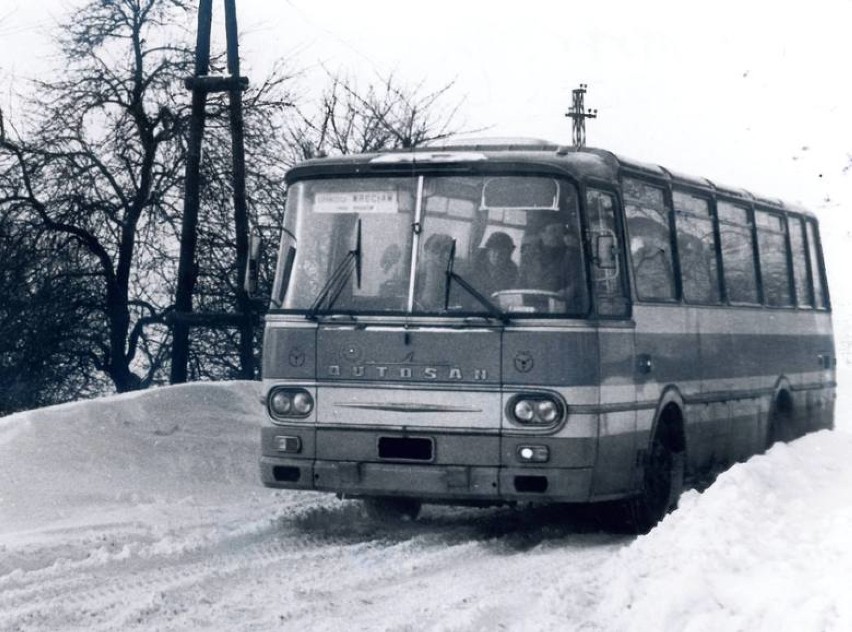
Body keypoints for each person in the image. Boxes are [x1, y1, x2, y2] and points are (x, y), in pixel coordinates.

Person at [519, 221, 585, 310]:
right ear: (542, 234)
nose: (557, 235)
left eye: (560, 232)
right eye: (553, 231)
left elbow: (577, 282)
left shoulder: (571, 255)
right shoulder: (528, 256)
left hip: (561, 308)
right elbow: (521, 280)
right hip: (531, 307)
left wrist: (567, 292)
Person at [471, 231, 519, 298]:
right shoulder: (474, 269)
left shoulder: (514, 273)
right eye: (494, 251)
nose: (497, 255)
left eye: (502, 252)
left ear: (508, 254)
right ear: (488, 252)